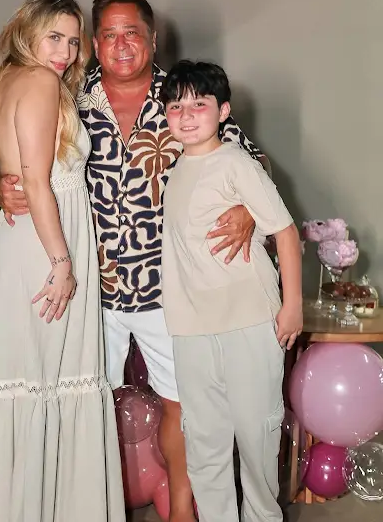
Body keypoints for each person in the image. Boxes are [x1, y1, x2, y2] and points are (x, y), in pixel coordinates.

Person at [0, 0, 269, 521]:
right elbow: (22, 158)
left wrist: (248, 210)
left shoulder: (185, 96)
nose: (121, 45)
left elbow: (251, 162)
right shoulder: (67, 93)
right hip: (89, 285)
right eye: (109, 35)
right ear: (94, 44)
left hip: (172, 286)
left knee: (185, 404)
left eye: (132, 33)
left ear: (152, 39)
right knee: (75, 402)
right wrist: (0, 185)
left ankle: (182, 510)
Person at [0, 0, 126, 522]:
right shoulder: (39, 82)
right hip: (46, 247)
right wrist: (62, 263)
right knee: (42, 383)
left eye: (73, 42)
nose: (65, 52)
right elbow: (36, 181)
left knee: (32, 385)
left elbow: (18, 171)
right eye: (54, 37)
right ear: (27, 33)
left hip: (28, 240)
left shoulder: (6, 81)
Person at [160, 59, 303, 522]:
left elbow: (285, 233)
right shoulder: (176, 170)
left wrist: (292, 306)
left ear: (223, 111)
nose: (186, 115)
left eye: (198, 105)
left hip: (248, 320)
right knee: (204, 442)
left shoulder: (236, 164)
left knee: (256, 436)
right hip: (191, 327)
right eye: (175, 106)